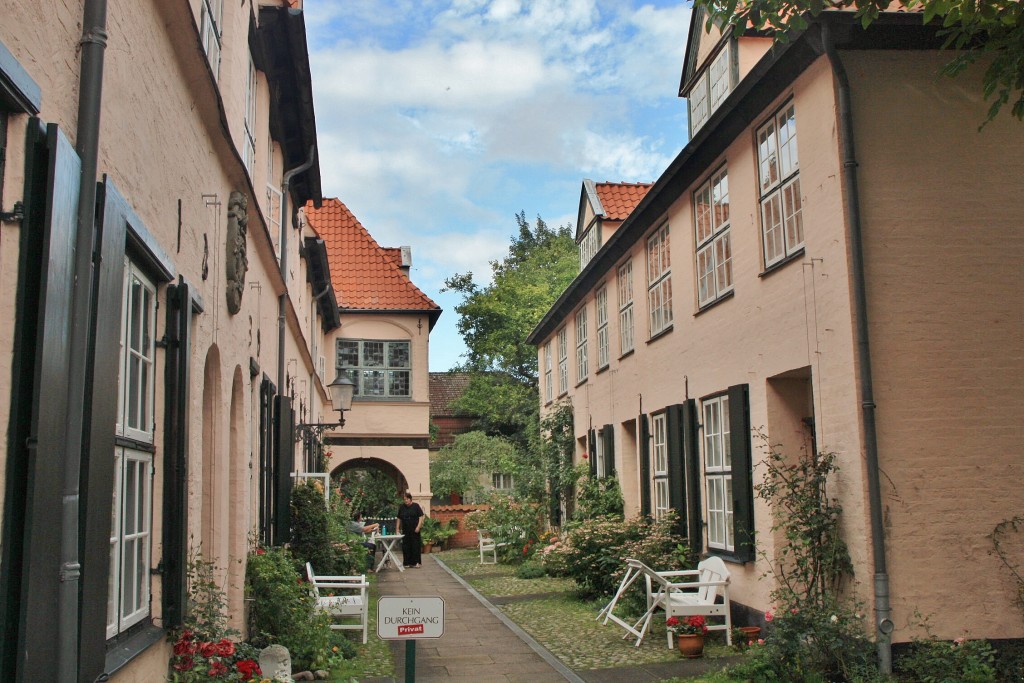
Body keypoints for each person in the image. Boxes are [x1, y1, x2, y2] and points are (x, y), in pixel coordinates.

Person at [396, 492, 424, 568]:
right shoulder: (402, 507)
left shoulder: (416, 506)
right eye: (405, 499)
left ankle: (417, 562)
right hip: (405, 529)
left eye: (407, 499)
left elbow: (421, 517)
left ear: (410, 499)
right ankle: (407, 562)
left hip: (415, 529)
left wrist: (418, 526)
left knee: (415, 545)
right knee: (406, 546)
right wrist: (397, 528)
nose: (406, 501)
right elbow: (399, 518)